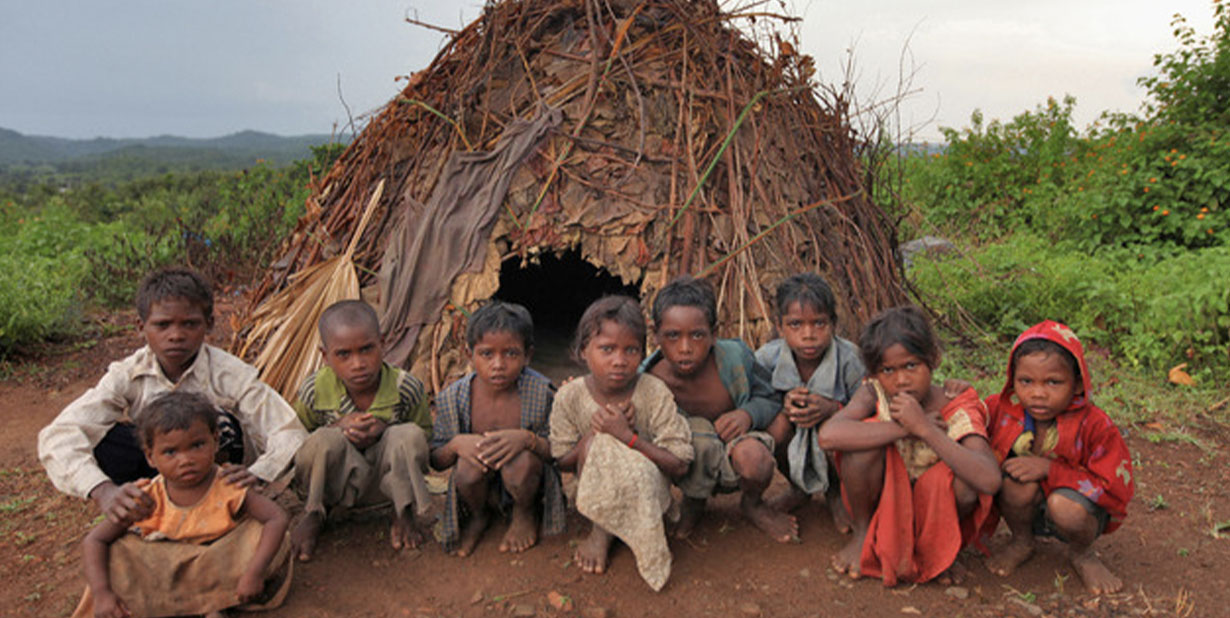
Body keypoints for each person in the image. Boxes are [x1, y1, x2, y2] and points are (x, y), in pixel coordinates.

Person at [38, 267, 306, 526]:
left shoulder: (230, 374)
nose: (176, 335)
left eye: (189, 324)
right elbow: (60, 434)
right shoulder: (127, 374)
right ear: (141, 327)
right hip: (157, 471)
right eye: (163, 325)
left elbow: (288, 430)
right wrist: (102, 489)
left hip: (218, 475)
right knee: (104, 439)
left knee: (221, 425)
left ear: (209, 324)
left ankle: (218, 503)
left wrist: (257, 473)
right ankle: (148, 503)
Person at [817, 306, 1001, 586]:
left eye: (911, 366)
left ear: (934, 359)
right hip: (885, 495)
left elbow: (989, 479)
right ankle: (863, 533)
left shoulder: (956, 406)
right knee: (861, 446)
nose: (901, 380)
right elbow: (829, 435)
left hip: (937, 507)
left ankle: (941, 548)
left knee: (966, 484)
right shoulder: (874, 392)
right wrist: (903, 429)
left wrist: (926, 430)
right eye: (888, 370)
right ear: (875, 374)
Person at [75, 391, 291, 618]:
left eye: (197, 445)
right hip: (168, 571)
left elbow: (276, 518)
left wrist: (254, 574)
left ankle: (214, 605)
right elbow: (95, 539)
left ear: (215, 442)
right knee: (119, 551)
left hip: (219, 564)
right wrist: (101, 593)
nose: (186, 459)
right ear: (150, 457)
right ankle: (198, 604)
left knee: (260, 535)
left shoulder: (228, 484)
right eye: (170, 452)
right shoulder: (147, 496)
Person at [549, 296, 693, 591]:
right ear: (583, 351)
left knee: (609, 443)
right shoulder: (570, 396)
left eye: (631, 350)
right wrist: (596, 434)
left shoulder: (654, 392)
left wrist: (628, 436)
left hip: (647, 489)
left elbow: (679, 464)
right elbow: (561, 460)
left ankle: (621, 532)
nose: (619, 360)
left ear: (642, 353)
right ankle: (602, 530)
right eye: (607, 349)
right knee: (596, 445)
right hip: (589, 488)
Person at [983, 320, 1134, 594]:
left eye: (1053, 382)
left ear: (1077, 384)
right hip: (1025, 503)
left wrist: (1049, 470)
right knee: (1013, 483)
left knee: (1065, 506)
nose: (1038, 393)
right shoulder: (1001, 409)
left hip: (1078, 512)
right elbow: (968, 419)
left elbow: (1114, 489)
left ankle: (1082, 554)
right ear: (1012, 380)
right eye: (1026, 381)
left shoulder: (1096, 426)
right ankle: (1022, 541)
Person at [641, 276, 794, 543]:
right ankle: (694, 501)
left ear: (714, 333)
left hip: (736, 442)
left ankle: (752, 503)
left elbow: (770, 398)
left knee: (760, 452)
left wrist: (747, 414)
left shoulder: (735, 359)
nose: (685, 348)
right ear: (655, 335)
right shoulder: (648, 381)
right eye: (673, 336)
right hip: (690, 452)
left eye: (697, 335)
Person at [290, 300, 433, 561]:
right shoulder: (314, 389)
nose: (358, 364)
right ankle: (314, 513)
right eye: (344, 354)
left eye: (367, 349)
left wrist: (386, 429)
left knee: (408, 435)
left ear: (382, 343)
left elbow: (425, 440)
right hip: (337, 485)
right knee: (322, 439)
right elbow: (295, 441)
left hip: (385, 485)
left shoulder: (406, 387)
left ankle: (402, 511)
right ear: (326, 356)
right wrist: (338, 427)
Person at [430, 301, 565, 556]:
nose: (498, 364)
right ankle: (479, 515)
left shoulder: (541, 393)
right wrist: (457, 444)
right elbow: (436, 460)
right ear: (469, 355)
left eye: (511, 354)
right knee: (466, 468)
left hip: (525, 482)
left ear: (528, 355)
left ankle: (524, 513)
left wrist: (528, 440)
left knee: (522, 461)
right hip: (480, 487)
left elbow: (559, 454)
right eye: (487, 354)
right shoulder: (454, 398)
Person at [756, 273, 864, 533]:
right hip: (792, 432)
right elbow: (757, 402)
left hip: (834, 438)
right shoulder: (766, 359)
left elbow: (868, 406)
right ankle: (798, 488)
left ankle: (835, 492)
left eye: (819, 323)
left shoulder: (849, 359)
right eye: (795, 325)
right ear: (780, 327)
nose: (808, 335)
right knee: (777, 427)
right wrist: (783, 403)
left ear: (833, 324)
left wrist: (833, 409)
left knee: (834, 429)